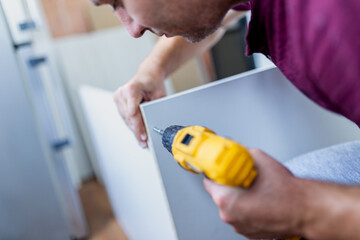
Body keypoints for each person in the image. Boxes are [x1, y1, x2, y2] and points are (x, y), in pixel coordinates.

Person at [90, 0, 360, 239]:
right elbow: (214, 10)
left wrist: (304, 210)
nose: (132, 29)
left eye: (118, 1)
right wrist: (153, 69)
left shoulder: (331, 23)